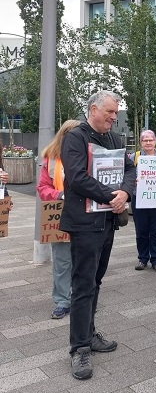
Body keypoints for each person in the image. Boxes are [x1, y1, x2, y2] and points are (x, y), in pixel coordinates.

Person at [60, 90, 135, 380]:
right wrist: (112, 196)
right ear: (93, 109)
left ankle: (89, 334)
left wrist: (125, 192)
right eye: (110, 112)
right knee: (83, 285)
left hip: (107, 223)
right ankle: (79, 347)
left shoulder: (115, 140)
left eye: (116, 113)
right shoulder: (75, 138)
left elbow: (130, 168)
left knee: (96, 280)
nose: (114, 118)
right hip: (84, 223)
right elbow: (77, 177)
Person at [36, 120, 81, 319]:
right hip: (60, 216)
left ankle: (82, 299)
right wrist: (59, 195)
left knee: (83, 262)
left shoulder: (88, 156)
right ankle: (63, 301)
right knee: (62, 262)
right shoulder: (51, 159)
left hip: (85, 217)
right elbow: (42, 188)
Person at [130, 129, 156, 272]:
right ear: (141, 142)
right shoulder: (134, 157)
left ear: (155, 141)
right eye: (145, 140)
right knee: (141, 230)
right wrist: (134, 180)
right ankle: (142, 259)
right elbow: (127, 175)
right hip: (139, 198)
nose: (148, 142)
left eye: (151, 140)